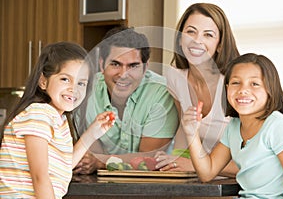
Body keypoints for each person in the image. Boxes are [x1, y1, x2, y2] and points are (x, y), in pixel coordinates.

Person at [0, 42, 114, 198]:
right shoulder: (39, 113)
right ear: (43, 81)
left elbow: (63, 168)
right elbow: (40, 176)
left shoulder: (58, 119)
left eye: (81, 83)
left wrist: (92, 133)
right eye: (65, 79)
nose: (74, 88)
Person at [182, 53, 283, 198]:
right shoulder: (234, 126)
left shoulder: (279, 126)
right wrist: (191, 133)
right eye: (236, 83)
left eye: (254, 84)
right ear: (227, 88)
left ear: (270, 90)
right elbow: (207, 172)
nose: (243, 90)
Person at [73, 26, 179, 174]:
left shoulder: (161, 93)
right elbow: (93, 155)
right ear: (102, 65)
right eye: (115, 64)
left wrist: (100, 162)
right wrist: (97, 161)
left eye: (133, 66)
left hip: (155, 182)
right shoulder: (85, 91)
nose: (123, 74)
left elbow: (148, 161)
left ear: (145, 67)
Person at [155, 3, 239, 176]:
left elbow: (256, 166)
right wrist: (176, 163)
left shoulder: (234, 85)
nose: (197, 40)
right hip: (205, 178)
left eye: (208, 34)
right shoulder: (175, 77)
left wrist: (195, 165)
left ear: (220, 44)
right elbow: (183, 129)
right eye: (191, 32)